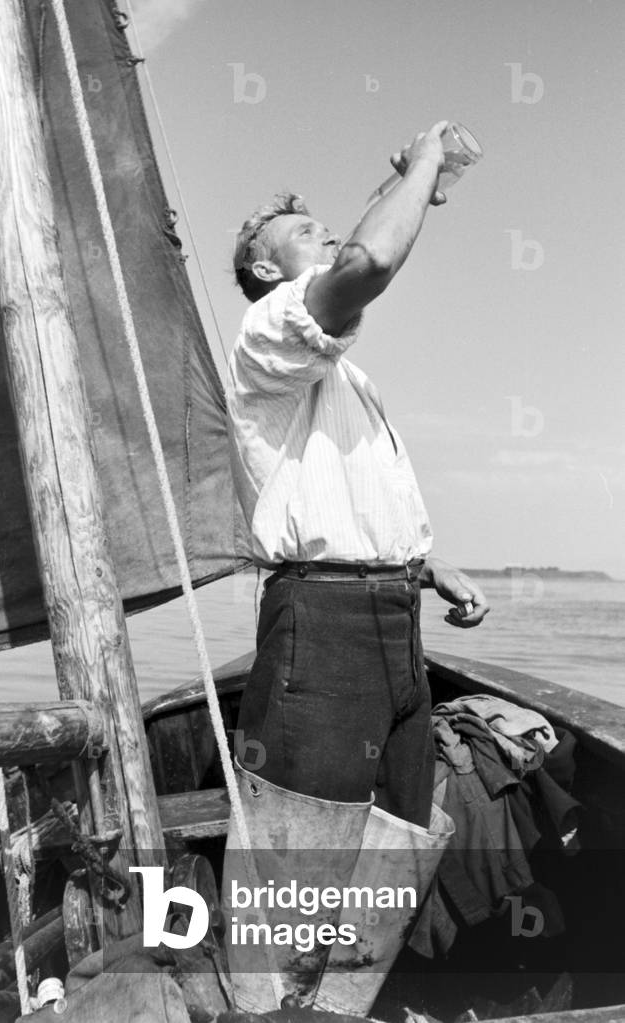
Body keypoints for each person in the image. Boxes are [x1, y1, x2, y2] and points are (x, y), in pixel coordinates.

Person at [227, 121, 489, 829]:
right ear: (265, 271)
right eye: (306, 232)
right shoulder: (266, 336)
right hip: (323, 629)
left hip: (394, 621)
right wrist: (426, 162)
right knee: (308, 847)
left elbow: (340, 493)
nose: (328, 237)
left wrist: (423, 562)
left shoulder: (342, 376)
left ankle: (368, 946)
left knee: (394, 833)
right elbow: (370, 259)